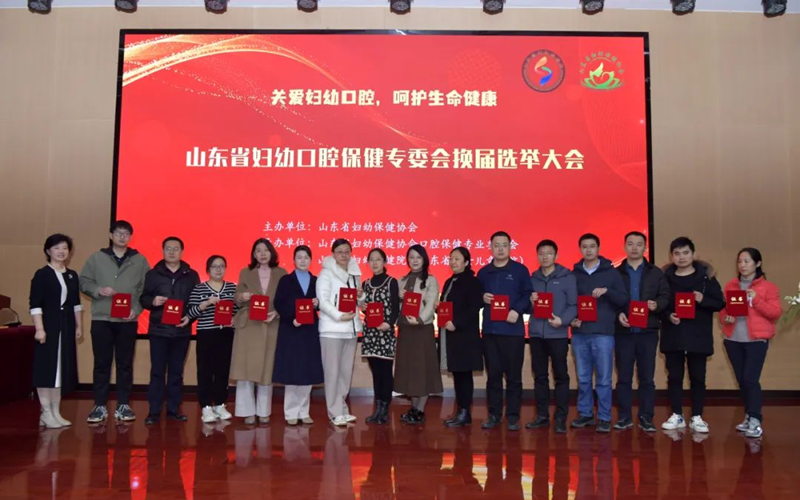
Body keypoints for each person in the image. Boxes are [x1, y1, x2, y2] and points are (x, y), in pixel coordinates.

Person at [80, 220, 150, 424]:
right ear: (111, 235)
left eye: (126, 234)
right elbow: (84, 281)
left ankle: (123, 404)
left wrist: (136, 310)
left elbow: (145, 290)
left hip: (127, 321)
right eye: (119, 233)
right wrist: (98, 290)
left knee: (125, 364)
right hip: (102, 319)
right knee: (101, 364)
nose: (122, 236)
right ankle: (99, 405)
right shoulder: (96, 258)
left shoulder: (140, 261)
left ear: (130, 237)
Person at [660, 236, 725, 434]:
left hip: (698, 336)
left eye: (685, 253)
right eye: (677, 253)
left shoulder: (706, 278)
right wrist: (668, 316)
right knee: (674, 377)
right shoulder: (664, 278)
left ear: (693, 254)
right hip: (674, 334)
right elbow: (658, 304)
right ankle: (677, 414)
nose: (681, 257)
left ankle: (697, 416)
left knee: (698, 378)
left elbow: (719, 303)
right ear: (671, 256)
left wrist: (703, 299)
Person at [720, 248, 782, 439]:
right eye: (740, 261)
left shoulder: (768, 287)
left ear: (758, 263)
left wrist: (756, 300)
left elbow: (775, 313)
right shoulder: (731, 285)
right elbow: (723, 311)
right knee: (742, 380)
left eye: (747, 261)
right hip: (733, 340)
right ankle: (748, 415)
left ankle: (755, 419)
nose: (742, 265)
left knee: (750, 379)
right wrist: (726, 318)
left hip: (756, 340)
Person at [570, 233, 629, 433]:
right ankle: (585, 414)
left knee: (603, 379)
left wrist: (607, 292)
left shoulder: (611, 273)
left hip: (603, 333)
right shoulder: (574, 274)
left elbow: (623, 299)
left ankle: (604, 417)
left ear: (598, 248)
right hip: (580, 333)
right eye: (584, 246)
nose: (588, 250)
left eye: (592, 246)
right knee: (583, 378)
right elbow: (570, 302)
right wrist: (572, 318)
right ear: (580, 249)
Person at [477, 231, 534, 431]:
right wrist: (481, 297)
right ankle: (494, 415)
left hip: (513, 332)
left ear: (510, 247)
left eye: (504, 245)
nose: (500, 249)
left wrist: (517, 310)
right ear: (490, 248)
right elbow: (475, 297)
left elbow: (528, 295)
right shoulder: (484, 272)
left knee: (513, 377)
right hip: (491, 332)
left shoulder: (520, 270)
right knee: (493, 376)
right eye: (496, 245)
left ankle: (512, 416)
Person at [140, 236, 200, 425]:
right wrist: (152, 301)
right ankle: (154, 411)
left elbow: (196, 302)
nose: (172, 252)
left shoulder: (191, 275)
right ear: (163, 251)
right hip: (158, 331)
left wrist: (189, 318)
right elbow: (143, 299)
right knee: (157, 372)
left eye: (175, 249)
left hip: (182, 331)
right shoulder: (153, 274)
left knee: (176, 372)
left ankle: (174, 410)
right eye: (168, 248)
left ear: (182, 251)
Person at [614, 231, 670, 432]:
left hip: (648, 332)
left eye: (639, 244)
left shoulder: (656, 273)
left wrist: (657, 305)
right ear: (624, 247)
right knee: (624, 378)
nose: (634, 248)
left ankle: (646, 417)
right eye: (630, 244)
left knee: (647, 378)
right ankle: (624, 417)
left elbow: (665, 295)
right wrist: (618, 314)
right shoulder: (616, 272)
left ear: (645, 248)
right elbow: (610, 300)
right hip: (624, 333)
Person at [230, 238, 286, 425]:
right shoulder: (245, 272)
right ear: (253, 254)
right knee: (246, 370)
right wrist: (242, 296)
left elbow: (285, 299)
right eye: (258, 250)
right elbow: (237, 297)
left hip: (271, 324)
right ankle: (247, 411)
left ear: (272, 253)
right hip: (249, 325)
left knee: (266, 370)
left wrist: (277, 312)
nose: (262, 254)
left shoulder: (281, 273)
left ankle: (264, 411)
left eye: (266, 250)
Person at [30, 234, 82, 428]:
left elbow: (76, 304)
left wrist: (79, 326)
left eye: (65, 248)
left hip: (66, 325)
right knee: (47, 370)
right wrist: (39, 329)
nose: (61, 252)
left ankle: (55, 411)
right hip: (48, 326)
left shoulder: (72, 275)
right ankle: (45, 412)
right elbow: (35, 305)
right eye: (57, 248)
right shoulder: (42, 274)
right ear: (48, 251)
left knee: (60, 370)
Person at [526, 239, 577, 434]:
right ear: (537, 256)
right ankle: (542, 416)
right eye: (541, 253)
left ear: (556, 255)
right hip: (536, 334)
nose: (545, 257)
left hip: (558, 334)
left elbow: (573, 305)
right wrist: (531, 302)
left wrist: (562, 321)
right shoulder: (533, 279)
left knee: (561, 377)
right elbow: (528, 308)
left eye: (549, 253)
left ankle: (561, 417)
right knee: (540, 377)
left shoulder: (567, 277)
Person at [272, 245, 324, 426]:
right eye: (299, 257)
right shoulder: (286, 280)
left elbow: (323, 303)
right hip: (291, 330)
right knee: (292, 372)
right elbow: (279, 303)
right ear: (294, 260)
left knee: (307, 372)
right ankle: (290, 412)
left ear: (311, 260)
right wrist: (291, 318)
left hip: (309, 331)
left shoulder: (317, 281)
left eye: (306, 257)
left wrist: (318, 304)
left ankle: (304, 411)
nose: (303, 260)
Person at [316, 239, 364, 426]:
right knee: (332, 373)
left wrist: (361, 296)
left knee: (345, 373)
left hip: (350, 329)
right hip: (332, 330)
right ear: (333, 254)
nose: (344, 255)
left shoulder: (354, 274)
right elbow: (323, 300)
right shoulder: (326, 273)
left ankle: (342, 409)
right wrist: (338, 316)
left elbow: (359, 301)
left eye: (347, 251)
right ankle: (334, 412)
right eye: (340, 252)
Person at [186, 255, 238, 423]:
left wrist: (235, 319)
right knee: (205, 371)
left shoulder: (232, 288)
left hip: (226, 334)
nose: (218, 269)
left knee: (223, 370)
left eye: (222, 266)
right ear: (208, 269)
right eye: (215, 266)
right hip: (206, 333)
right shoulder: (199, 289)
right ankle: (206, 406)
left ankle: (220, 404)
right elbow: (190, 313)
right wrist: (206, 303)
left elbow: (239, 311)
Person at [394, 244, 442, 425]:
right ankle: (413, 409)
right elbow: (397, 306)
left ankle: (420, 410)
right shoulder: (401, 280)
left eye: (418, 257)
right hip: (406, 330)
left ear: (424, 259)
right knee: (409, 370)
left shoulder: (431, 280)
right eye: (411, 257)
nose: (414, 260)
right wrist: (399, 298)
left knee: (422, 370)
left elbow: (431, 304)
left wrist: (420, 319)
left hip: (422, 329)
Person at [440, 247, 484, 428]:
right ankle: (460, 411)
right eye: (451, 258)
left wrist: (456, 323)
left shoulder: (472, 282)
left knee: (464, 375)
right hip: (452, 336)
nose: (453, 262)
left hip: (465, 336)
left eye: (457, 259)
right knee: (457, 374)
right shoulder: (450, 281)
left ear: (466, 262)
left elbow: (474, 308)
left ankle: (465, 412)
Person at [360, 248, 400, 425]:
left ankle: (385, 409)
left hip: (385, 333)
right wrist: (363, 307)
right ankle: (378, 408)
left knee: (385, 372)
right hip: (370, 333)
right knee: (375, 372)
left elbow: (396, 307)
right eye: (371, 259)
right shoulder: (366, 284)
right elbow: (366, 307)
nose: (375, 263)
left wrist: (389, 323)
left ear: (385, 262)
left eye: (378, 259)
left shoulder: (391, 282)